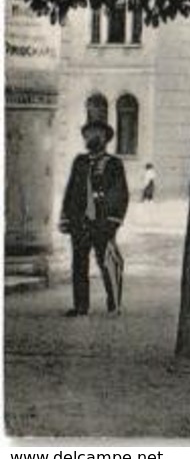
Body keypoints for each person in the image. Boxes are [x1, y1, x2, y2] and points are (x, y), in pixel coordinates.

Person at [59, 117, 129, 317]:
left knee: (108, 262)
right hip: (79, 222)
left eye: (95, 133)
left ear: (105, 138)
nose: (90, 137)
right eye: (88, 133)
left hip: (102, 222)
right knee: (79, 265)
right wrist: (66, 218)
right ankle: (81, 306)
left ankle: (114, 305)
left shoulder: (114, 164)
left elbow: (120, 194)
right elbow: (71, 190)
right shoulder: (79, 162)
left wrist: (113, 221)